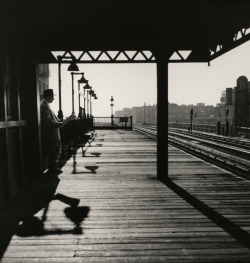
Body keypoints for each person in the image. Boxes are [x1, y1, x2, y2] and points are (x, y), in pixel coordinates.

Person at [40, 89, 62, 174]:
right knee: (53, 151)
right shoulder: (44, 106)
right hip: (51, 134)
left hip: (53, 133)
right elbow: (47, 121)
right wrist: (59, 124)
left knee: (54, 150)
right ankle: (52, 169)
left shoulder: (46, 106)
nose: (53, 99)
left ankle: (53, 168)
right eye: (52, 96)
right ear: (48, 97)